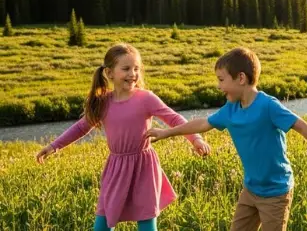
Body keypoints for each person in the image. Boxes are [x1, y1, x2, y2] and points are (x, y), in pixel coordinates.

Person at [145, 46, 307, 231]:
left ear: (241, 78)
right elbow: (202, 124)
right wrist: (166, 132)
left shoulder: (268, 106)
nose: (218, 86)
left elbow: (301, 126)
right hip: (251, 190)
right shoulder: (230, 110)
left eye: (221, 79)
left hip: (276, 192)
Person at [35, 43, 210, 231]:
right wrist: (54, 146)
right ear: (110, 73)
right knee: (102, 224)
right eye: (126, 69)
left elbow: (174, 119)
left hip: (144, 167)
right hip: (115, 168)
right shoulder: (103, 102)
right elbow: (81, 127)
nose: (132, 74)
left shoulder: (146, 98)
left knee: (147, 224)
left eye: (136, 69)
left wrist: (196, 139)